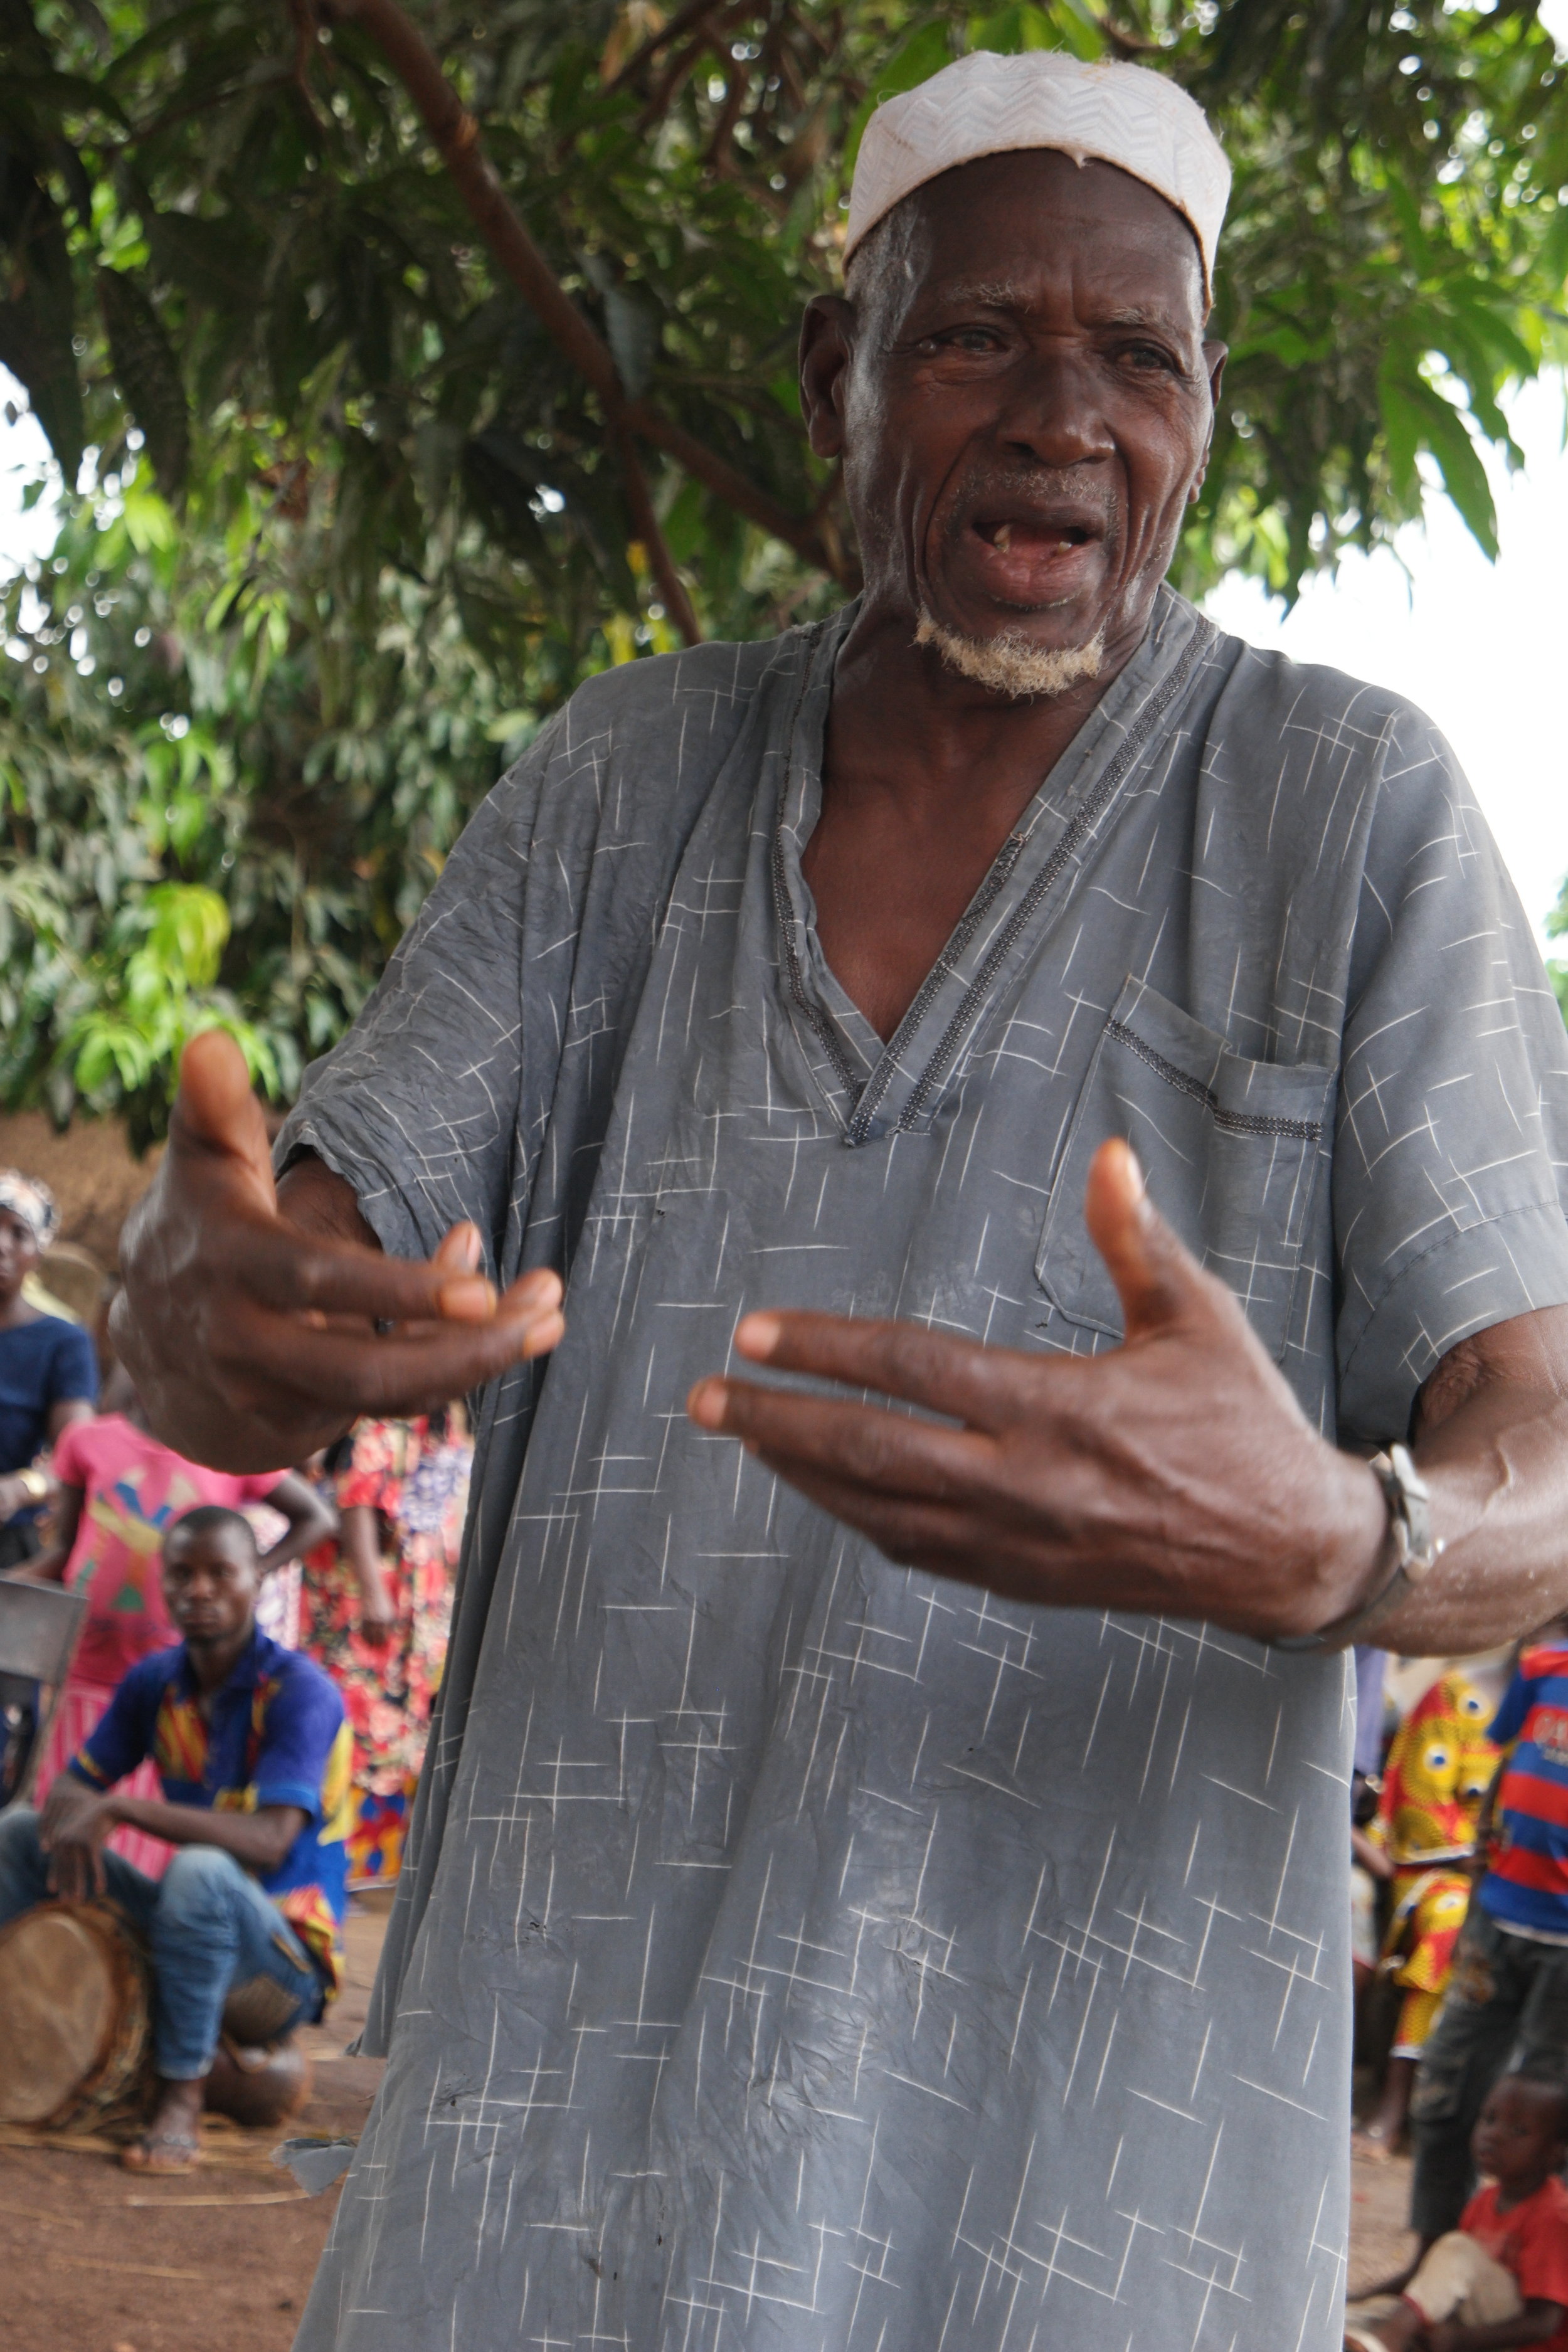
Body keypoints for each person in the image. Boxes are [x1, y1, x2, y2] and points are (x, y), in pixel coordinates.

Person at [112, 48, 1568, 2351]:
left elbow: (1550, 1445)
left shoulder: (1348, 815)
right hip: (552, 2165)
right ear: (840, 372)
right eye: (982, 334)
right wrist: (184, 1302)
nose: (1062, 415)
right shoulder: (621, 787)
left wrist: (1344, 1533)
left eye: (1139, 358)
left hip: (1082, 2208)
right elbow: (266, 1292)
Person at [0, 1504, 351, 2172]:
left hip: (281, 1969)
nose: (200, 1590)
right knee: (20, 1832)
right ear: (162, 1584)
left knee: (199, 1871)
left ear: (259, 1579)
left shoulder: (299, 1693)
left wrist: (124, 1810)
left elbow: (270, 1841)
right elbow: (74, 1788)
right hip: (188, 1931)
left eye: (222, 1573)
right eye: (183, 1574)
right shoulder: (155, 1682)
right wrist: (77, 1820)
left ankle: (181, 2099)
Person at [11, 1370, 334, 1873]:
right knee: (65, 1829)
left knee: (147, 1847)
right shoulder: (89, 1441)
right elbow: (66, 1550)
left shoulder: (229, 1453)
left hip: (170, 1685)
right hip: (87, 1673)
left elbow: (319, 1516)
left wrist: (254, 1573)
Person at [1409, 1619, 1568, 2247]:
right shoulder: (1542, 1670)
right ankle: (1434, 2252)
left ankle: (1533, 2283)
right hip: (1496, 1920)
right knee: (1450, 2087)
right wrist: (1480, 1855)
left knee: (1551, 2117)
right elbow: (1507, 1759)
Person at [297, 1413, 466, 1883]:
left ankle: (371, 1866)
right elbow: (357, 1503)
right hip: (368, 1593)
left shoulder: (445, 1419)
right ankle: (327, 1862)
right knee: (354, 1719)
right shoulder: (385, 1420)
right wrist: (374, 1594)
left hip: (416, 1588)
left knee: (400, 1724)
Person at [1355, 1673, 1499, 2159]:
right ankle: (1394, 2107)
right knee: (1453, 1924)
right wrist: (1492, 1858)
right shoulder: (1455, 1696)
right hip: (1439, 1874)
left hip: (1529, 1880)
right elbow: (1422, 1815)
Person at [1345, 2072, 1568, 2352]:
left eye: (1519, 2131)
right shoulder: (1485, 2201)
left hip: (1519, 2343)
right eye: (1489, 2119)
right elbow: (1441, 2290)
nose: (1495, 2134)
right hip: (1477, 2326)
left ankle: (1386, 2340)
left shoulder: (1555, 2217)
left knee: (1458, 2250)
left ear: (1555, 2154)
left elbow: (1544, 2324)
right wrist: (1358, 2300)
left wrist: (1461, 2340)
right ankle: (1336, 2329)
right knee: (1383, 2309)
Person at [0, 1169, 96, 1565]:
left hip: (9, 1545)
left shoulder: (63, 1342)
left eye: (19, 1233)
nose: (1, 1244)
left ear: (37, 1256)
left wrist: (20, 1489)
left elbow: (75, 1457)